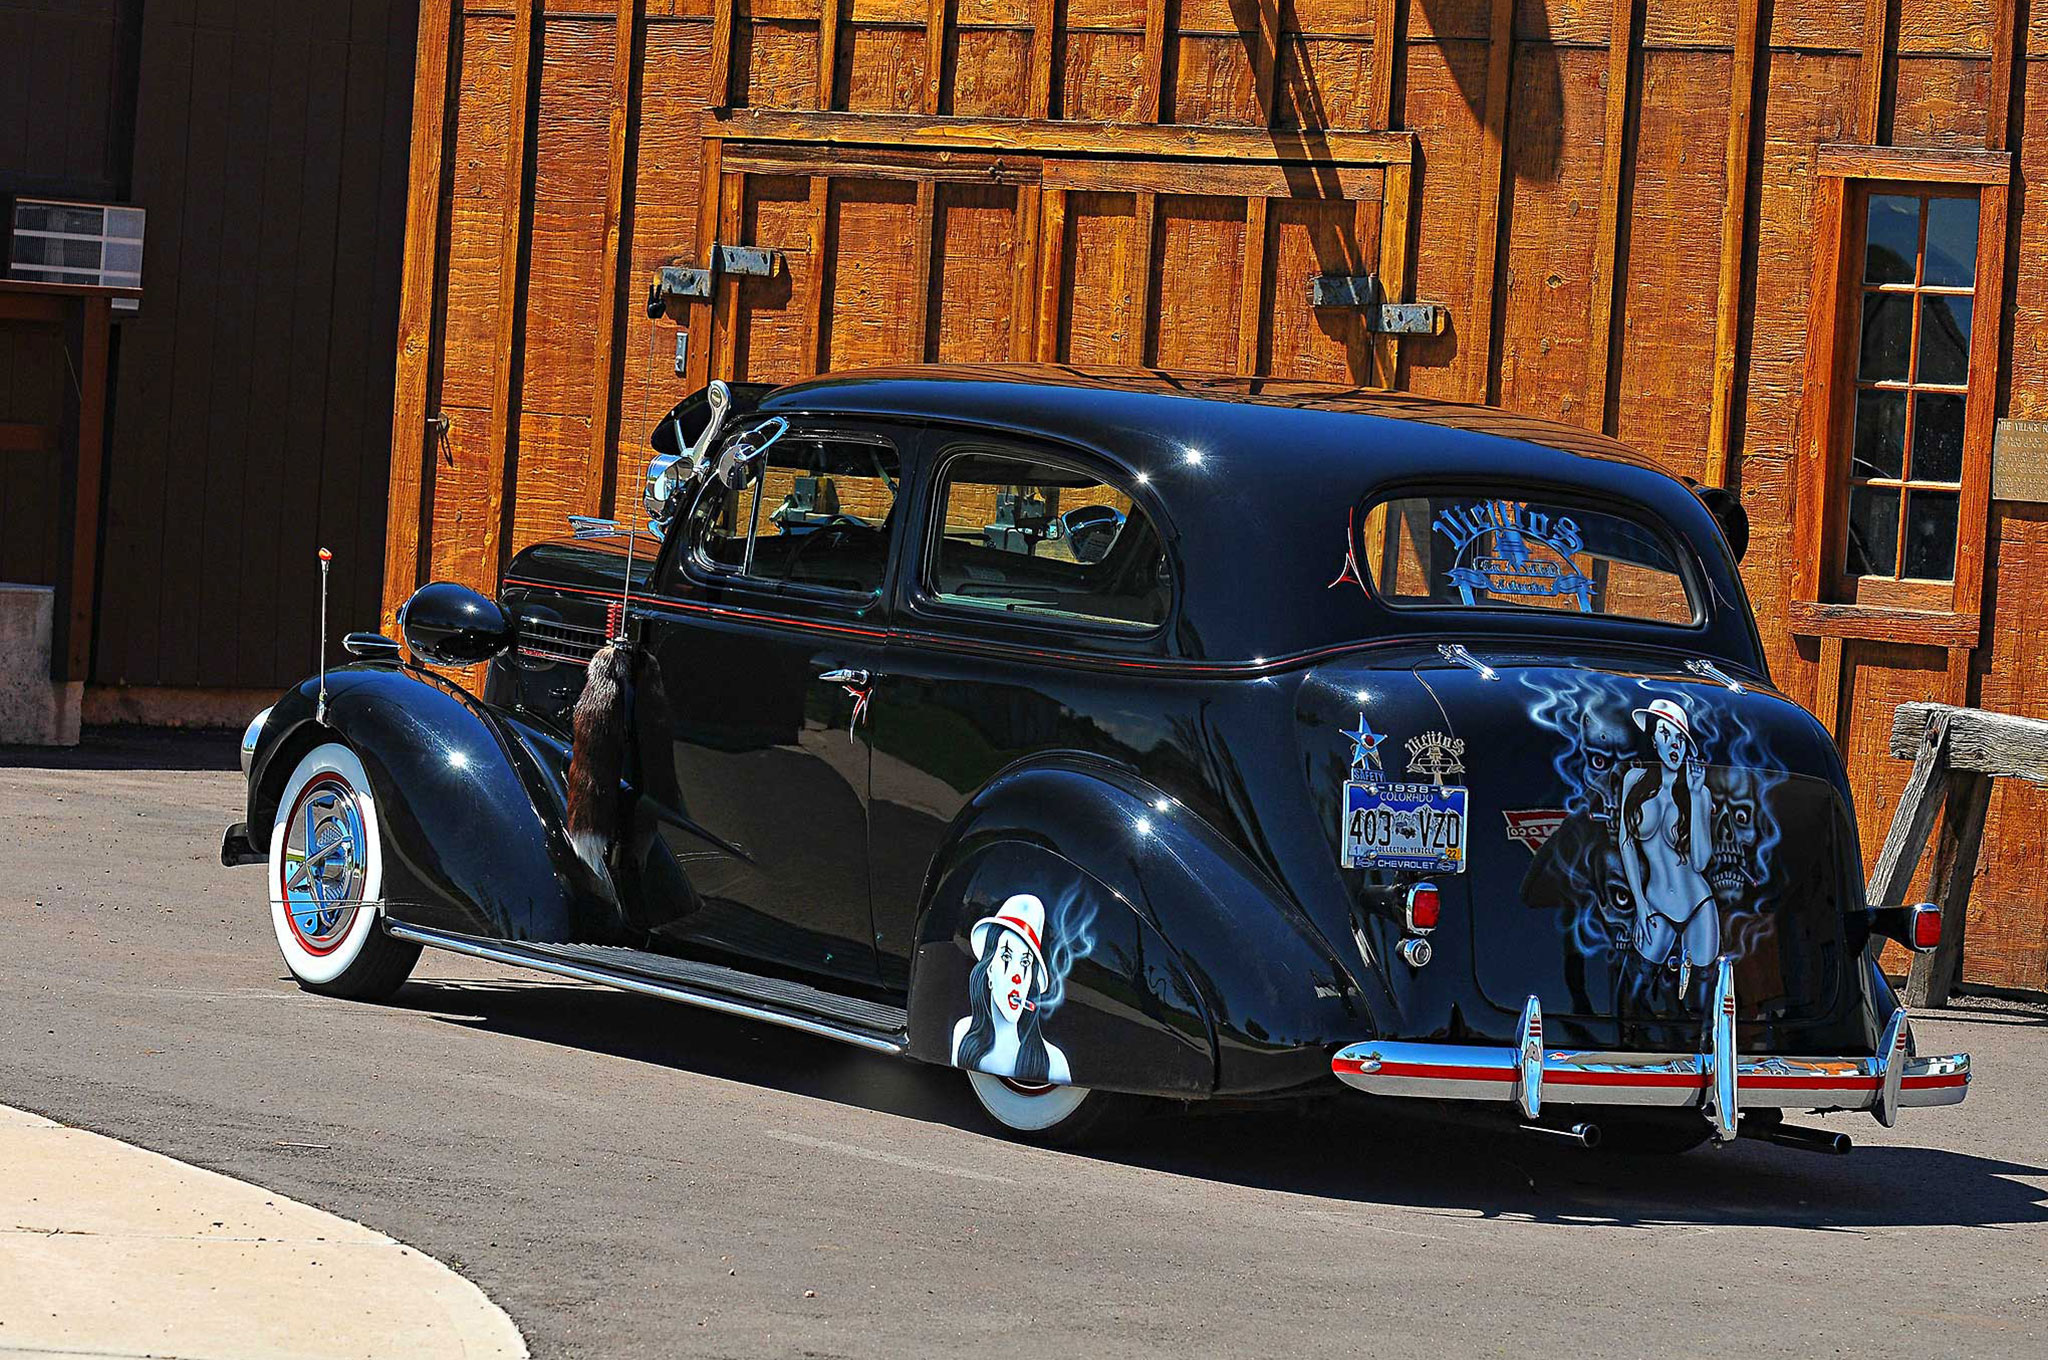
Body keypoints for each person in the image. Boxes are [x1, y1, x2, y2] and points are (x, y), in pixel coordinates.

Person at [1619, 697, 1718, 992]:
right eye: (1666, 734)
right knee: (1633, 995)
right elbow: (1626, 843)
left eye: (1680, 739)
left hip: (1699, 906)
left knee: (1700, 1004)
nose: (1674, 745)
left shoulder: (1699, 793)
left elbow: (1701, 862)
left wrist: (1698, 795)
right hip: (1655, 905)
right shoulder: (1633, 780)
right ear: (1654, 740)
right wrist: (1639, 903)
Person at [951, 893, 1071, 1085]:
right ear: (989, 968)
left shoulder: (1055, 1062)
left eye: (1025, 962)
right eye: (1007, 957)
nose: (1017, 976)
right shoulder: (962, 1033)